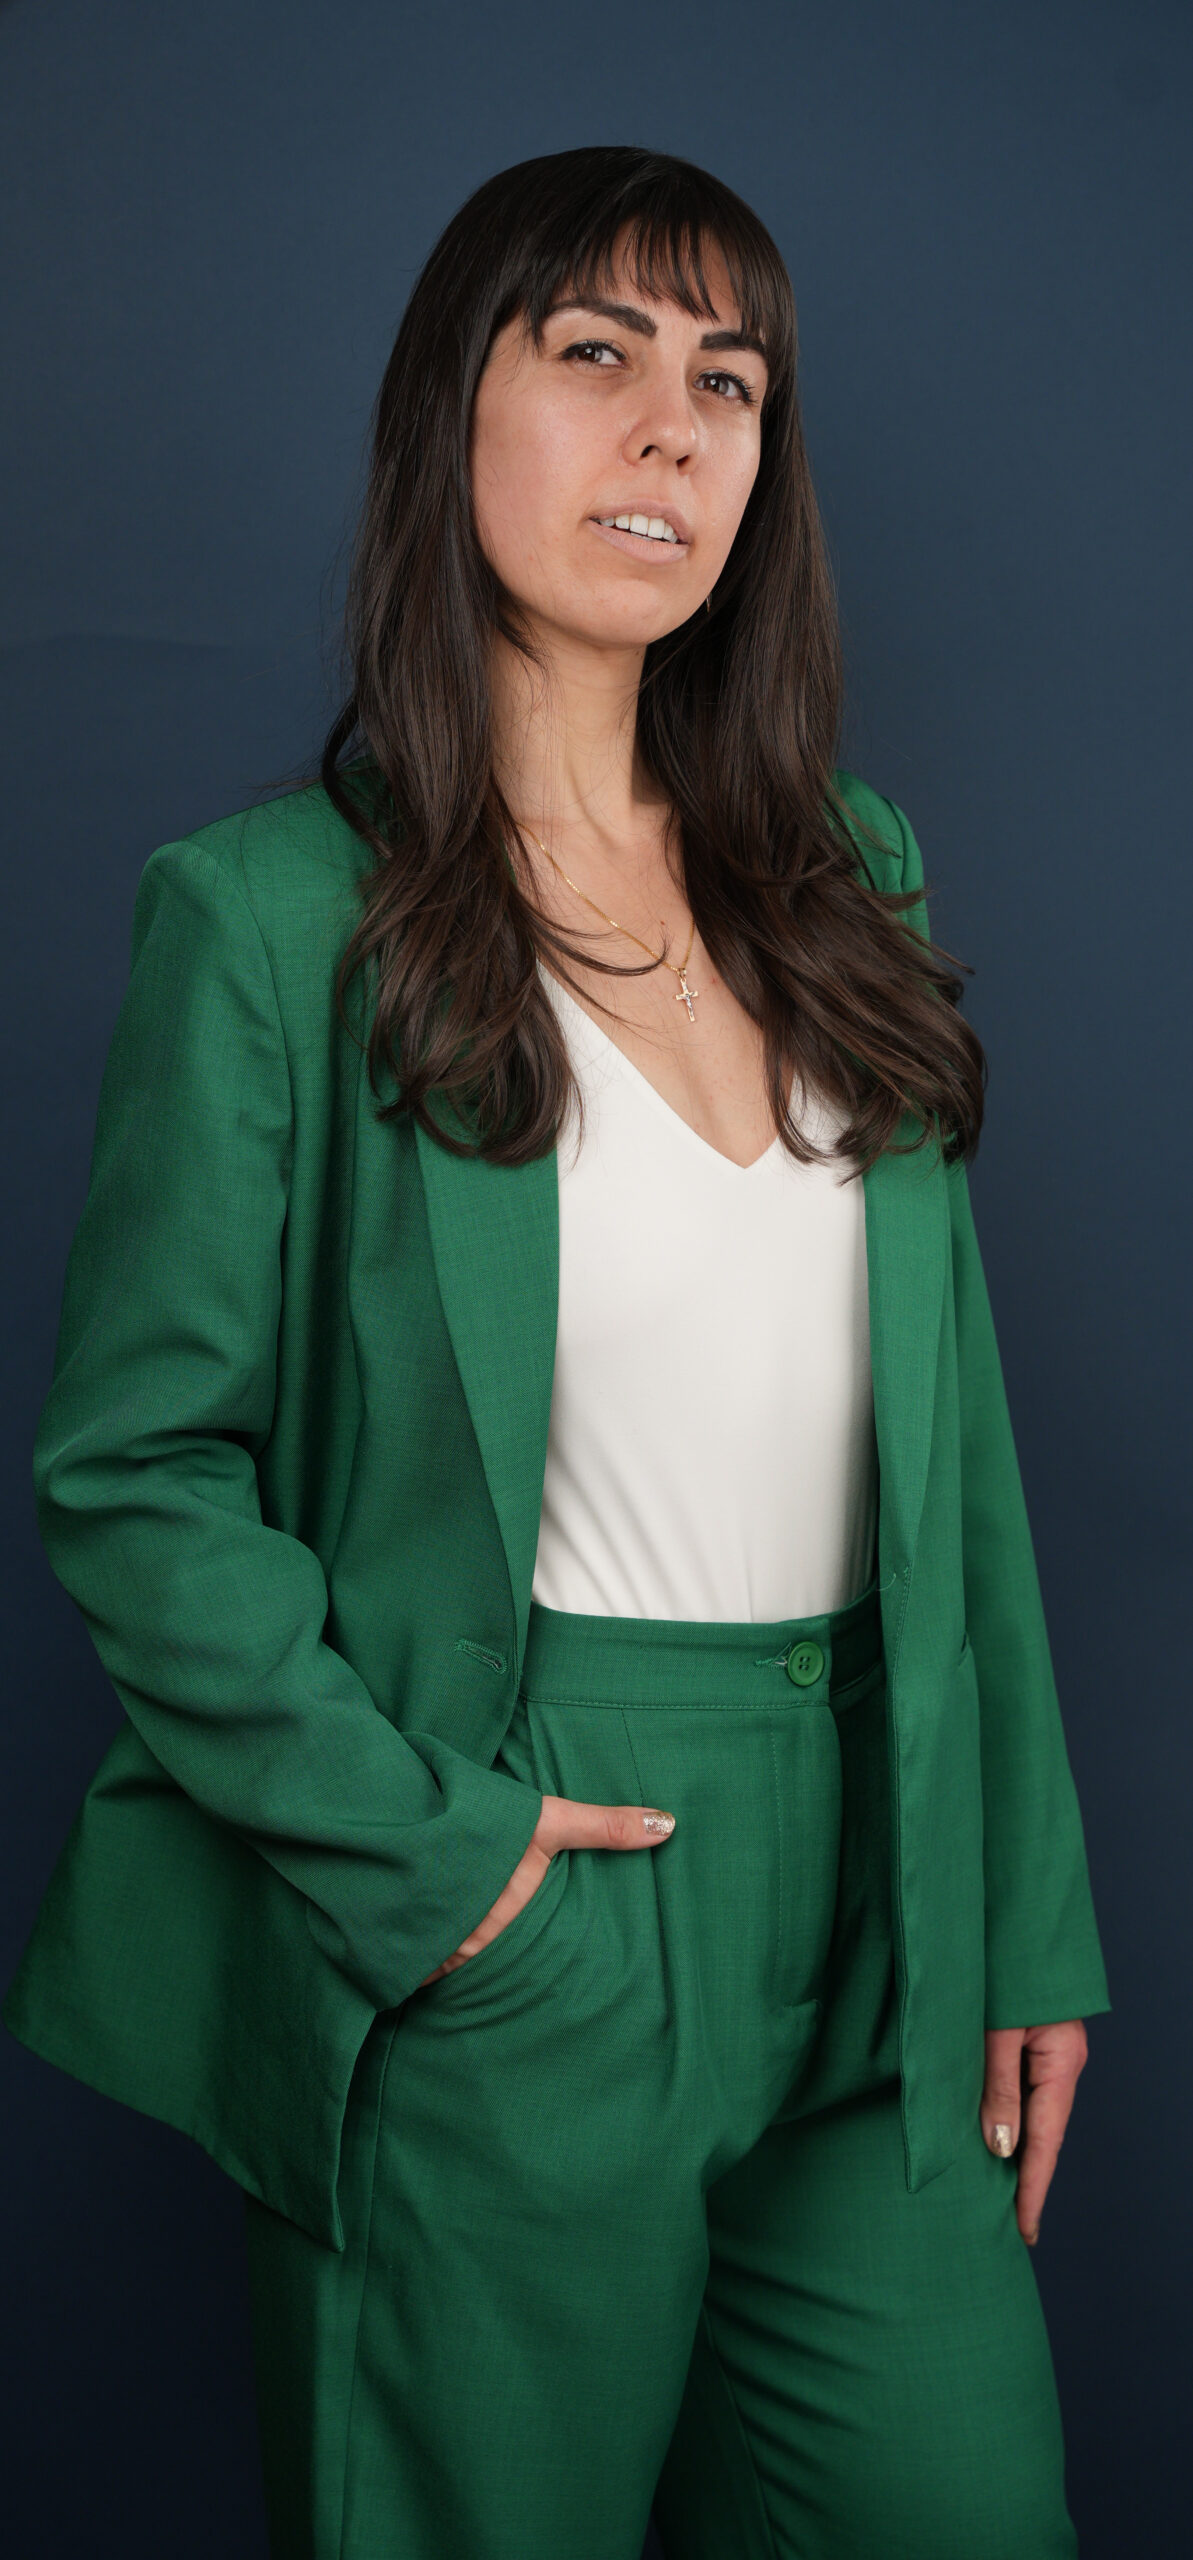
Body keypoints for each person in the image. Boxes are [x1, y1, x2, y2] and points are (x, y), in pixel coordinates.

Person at [4, 146, 1110, 2559]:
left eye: (730, 382)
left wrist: (1021, 1905)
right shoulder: (269, 919)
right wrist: (442, 1863)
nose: (671, 430)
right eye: (596, 352)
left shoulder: (850, 874)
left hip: (884, 1890)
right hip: (527, 1862)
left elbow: (956, 1459)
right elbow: (136, 1470)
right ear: (455, 407)